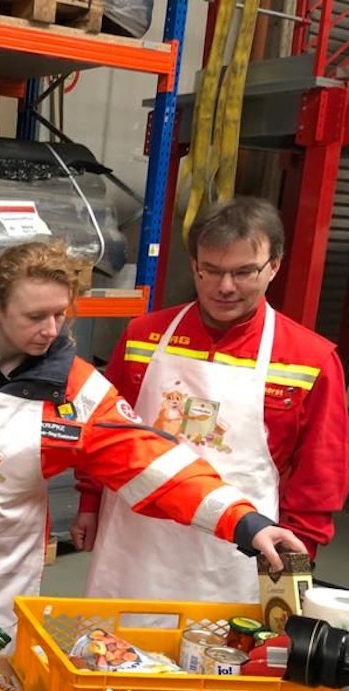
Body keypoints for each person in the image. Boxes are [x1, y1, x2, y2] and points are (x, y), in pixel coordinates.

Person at [0, 241, 304, 650]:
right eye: (35, 316)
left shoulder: (78, 393)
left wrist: (245, 522)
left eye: (60, 314)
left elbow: (155, 464)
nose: (51, 331)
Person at [76, 197, 349, 603]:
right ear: (195, 265)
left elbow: (320, 474)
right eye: (212, 271)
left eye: (243, 272)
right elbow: (107, 431)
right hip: (135, 541)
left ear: (274, 265)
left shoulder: (310, 359)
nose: (224, 287)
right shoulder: (143, 336)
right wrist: (89, 500)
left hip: (238, 551)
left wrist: (300, 549)